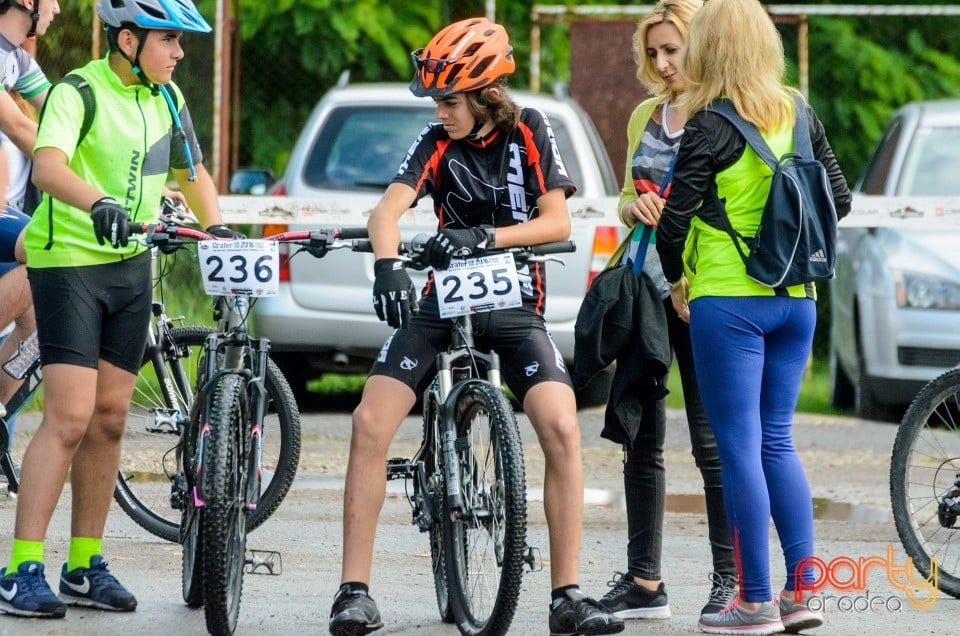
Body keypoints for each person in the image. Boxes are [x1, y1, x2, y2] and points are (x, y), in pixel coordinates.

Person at [329, 17, 624, 636]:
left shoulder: (531, 130)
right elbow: (387, 209)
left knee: (562, 426)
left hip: (514, 304)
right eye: (437, 101)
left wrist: (485, 236)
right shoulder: (434, 140)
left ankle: (566, 596)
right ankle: (353, 592)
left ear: (487, 94)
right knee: (368, 421)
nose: (440, 112)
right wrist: (387, 267)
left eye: (450, 100)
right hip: (444, 303)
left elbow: (556, 224)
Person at [0, 0, 229, 619]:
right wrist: (97, 199)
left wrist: (222, 231)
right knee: (70, 417)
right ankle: (20, 567)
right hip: (69, 261)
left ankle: (83, 562)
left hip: (133, 267)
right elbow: (47, 167)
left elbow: (193, 172)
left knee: (108, 419)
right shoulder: (80, 90)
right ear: (128, 40)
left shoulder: (169, 100)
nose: (179, 54)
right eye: (169, 42)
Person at [654, 0, 851, 633]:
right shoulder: (800, 111)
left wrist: (680, 278)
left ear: (707, 47)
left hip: (728, 303)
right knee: (777, 440)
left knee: (738, 445)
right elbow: (839, 199)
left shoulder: (709, 124)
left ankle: (755, 600)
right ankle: (803, 592)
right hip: (797, 301)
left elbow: (673, 222)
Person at [597, 0, 738, 622]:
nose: (661, 63)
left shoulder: (723, 114)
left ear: (698, 45)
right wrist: (635, 209)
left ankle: (730, 580)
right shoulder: (643, 116)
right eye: (652, 52)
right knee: (641, 436)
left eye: (671, 50)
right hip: (647, 289)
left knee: (713, 441)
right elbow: (626, 194)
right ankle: (645, 582)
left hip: (701, 292)